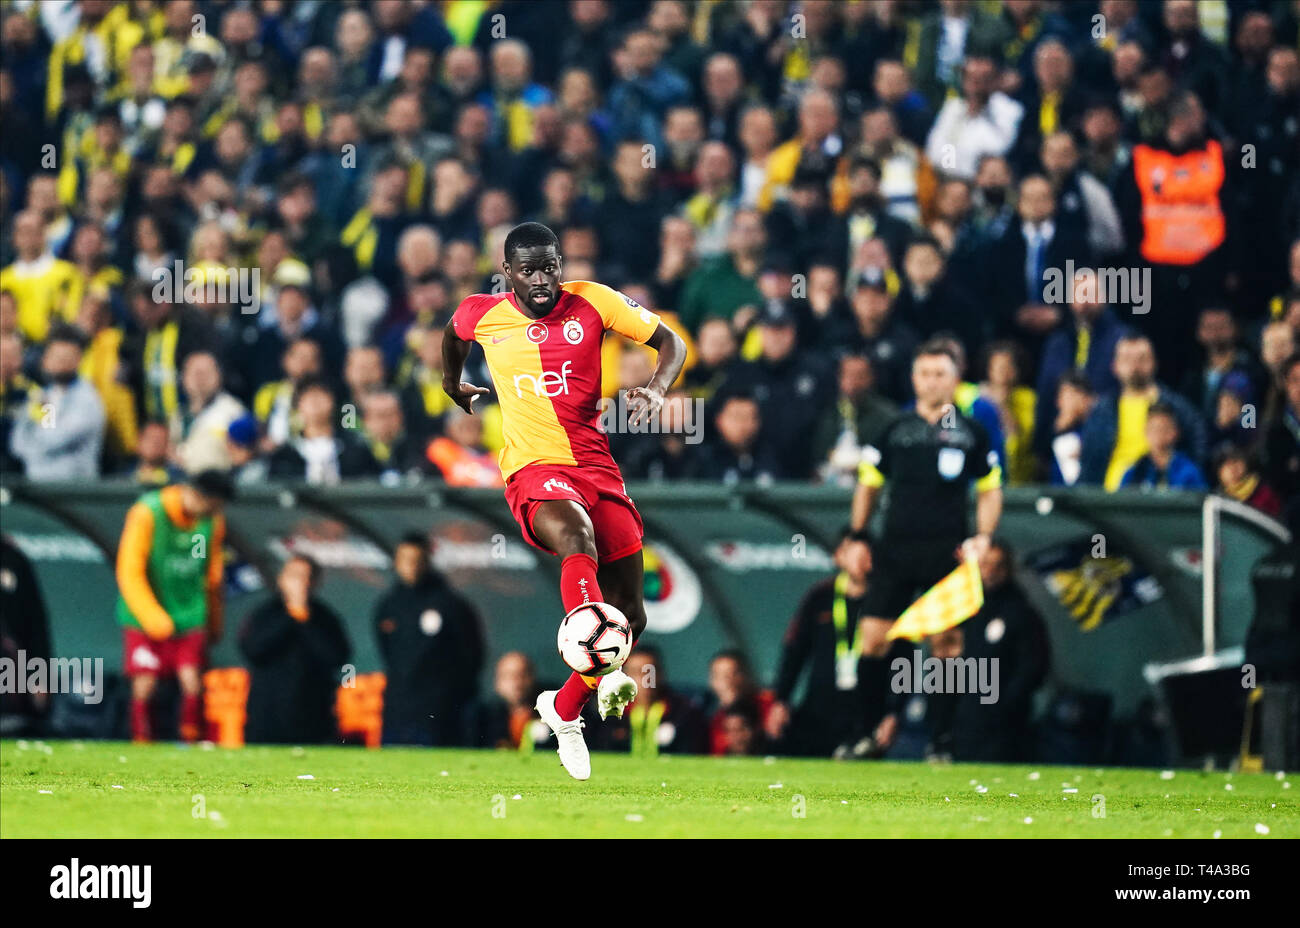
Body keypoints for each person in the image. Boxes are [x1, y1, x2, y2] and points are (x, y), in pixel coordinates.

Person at [441, 221, 686, 779]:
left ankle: (565, 706)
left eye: (550, 266)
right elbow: (452, 337)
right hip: (533, 469)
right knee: (577, 536)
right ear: (508, 274)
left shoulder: (594, 302)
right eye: (528, 270)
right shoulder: (483, 313)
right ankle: (589, 641)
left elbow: (672, 342)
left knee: (632, 616)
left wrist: (656, 386)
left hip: (596, 466)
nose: (543, 279)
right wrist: (453, 384)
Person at [850, 339, 1003, 751]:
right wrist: (859, 536)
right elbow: (869, 486)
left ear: (955, 381)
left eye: (940, 374)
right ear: (913, 378)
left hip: (948, 551)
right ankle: (867, 734)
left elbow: (990, 490)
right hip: (895, 548)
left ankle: (941, 740)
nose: (931, 381)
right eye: (924, 373)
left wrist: (984, 537)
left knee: (947, 644)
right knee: (874, 639)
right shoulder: (893, 430)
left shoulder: (972, 434)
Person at [115, 469, 231, 743]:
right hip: (144, 617)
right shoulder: (147, 512)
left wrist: (214, 621)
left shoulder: (210, 522)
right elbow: (130, 571)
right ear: (197, 494)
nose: (212, 512)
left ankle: (191, 739)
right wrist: (151, 616)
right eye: (211, 505)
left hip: (189, 614)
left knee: (192, 681)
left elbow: (211, 576)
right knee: (145, 683)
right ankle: (142, 740)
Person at [923, 538, 1050, 763]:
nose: (989, 571)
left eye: (997, 565)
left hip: (1005, 725)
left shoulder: (1020, 612)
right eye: (983, 564)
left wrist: (1005, 703)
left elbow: (1033, 665)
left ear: (1008, 569)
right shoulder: (959, 610)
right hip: (963, 720)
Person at [768, 527, 875, 757]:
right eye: (850, 552)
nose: (858, 560)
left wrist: (893, 712)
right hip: (820, 705)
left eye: (864, 553)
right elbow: (795, 650)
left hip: (866, 708)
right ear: (838, 556)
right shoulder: (820, 596)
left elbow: (902, 654)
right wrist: (780, 699)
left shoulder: (883, 599)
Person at [373, 532, 485, 746]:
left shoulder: (450, 604)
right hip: (398, 705)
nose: (411, 566)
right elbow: (387, 652)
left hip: (439, 707)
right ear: (396, 562)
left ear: (427, 562)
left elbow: (471, 654)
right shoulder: (387, 605)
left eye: (417, 560)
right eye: (405, 560)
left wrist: (452, 693)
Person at [240, 554, 351, 745]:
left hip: (314, 719)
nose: (301, 582)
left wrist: (305, 620)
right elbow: (253, 649)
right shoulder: (265, 614)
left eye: (306, 576)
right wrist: (290, 617)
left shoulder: (325, 618)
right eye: (295, 576)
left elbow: (338, 657)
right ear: (282, 579)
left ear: (316, 582)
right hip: (267, 718)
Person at [1120, 402, 1207, 491]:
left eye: (1163, 428)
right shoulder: (1134, 472)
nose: (1158, 434)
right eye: (1153, 428)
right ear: (1145, 432)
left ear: (1175, 432)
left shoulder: (1188, 472)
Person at [705, 649, 774, 757]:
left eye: (732, 675)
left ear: (747, 676)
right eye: (718, 677)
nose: (726, 683)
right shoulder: (717, 718)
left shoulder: (769, 706)